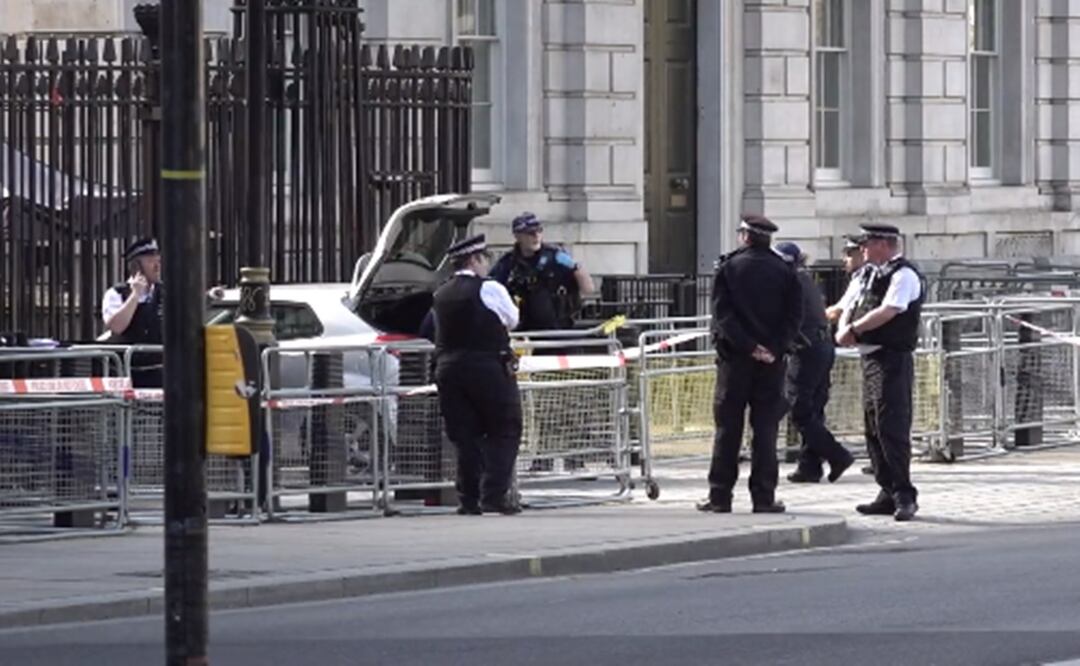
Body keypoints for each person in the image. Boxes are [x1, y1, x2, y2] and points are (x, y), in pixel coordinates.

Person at [697, 215, 803, 514]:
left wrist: (749, 346)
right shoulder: (786, 271)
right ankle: (764, 497)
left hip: (735, 360)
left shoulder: (729, 267)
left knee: (728, 429)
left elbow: (723, 316)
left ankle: (720, 496)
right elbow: (794, 317)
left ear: (745, 236)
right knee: (766, 430)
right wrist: (773, 348)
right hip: (772, 361)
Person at [836, 223, 925, 522]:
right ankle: (886, 490)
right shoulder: (869, 273)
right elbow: (851, 304)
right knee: (873, 428)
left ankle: (904, 494)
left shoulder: (904, 275)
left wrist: (854, 330)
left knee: (892, 429)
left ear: (886, 244)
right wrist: (844, 329)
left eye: (868, 242)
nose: (862, 248)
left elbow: (890, 310)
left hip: (892, 359)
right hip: (870, 357)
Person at [430, 234, 524, 515]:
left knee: (465, 436)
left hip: (448, 368)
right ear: (474, 260)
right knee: (505, 429)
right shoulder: (489, 288)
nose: (487, 266)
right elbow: (512, 319)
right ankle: (494, 494)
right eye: (485, 259)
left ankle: (468, 499)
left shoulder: (441, 293)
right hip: (487, 365)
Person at [774, 242, 855, 484]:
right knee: (814, 407)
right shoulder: (804, 278)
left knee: (800, 410)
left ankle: (837, 454)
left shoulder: (790, 282)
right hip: (821, 346)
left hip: (806, 349)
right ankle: (809, 466)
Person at [489, 212, 594, 332]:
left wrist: (576, 267)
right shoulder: (509, 262)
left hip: (558, 330)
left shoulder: (555, 256)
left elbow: (588, 289)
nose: (536, 236)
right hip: (524, 331)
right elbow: (492, 289)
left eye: (539, 231)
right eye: (530, 233)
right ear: (518, 236)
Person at [101, 238, 164, 388]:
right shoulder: (116, 293)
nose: (157, 267)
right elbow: (117, 326)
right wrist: (135, 295)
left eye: (158, 261)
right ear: (136, 266)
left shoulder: (166, 293)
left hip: (161, 372)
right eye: (150, 261)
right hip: (128, 373)